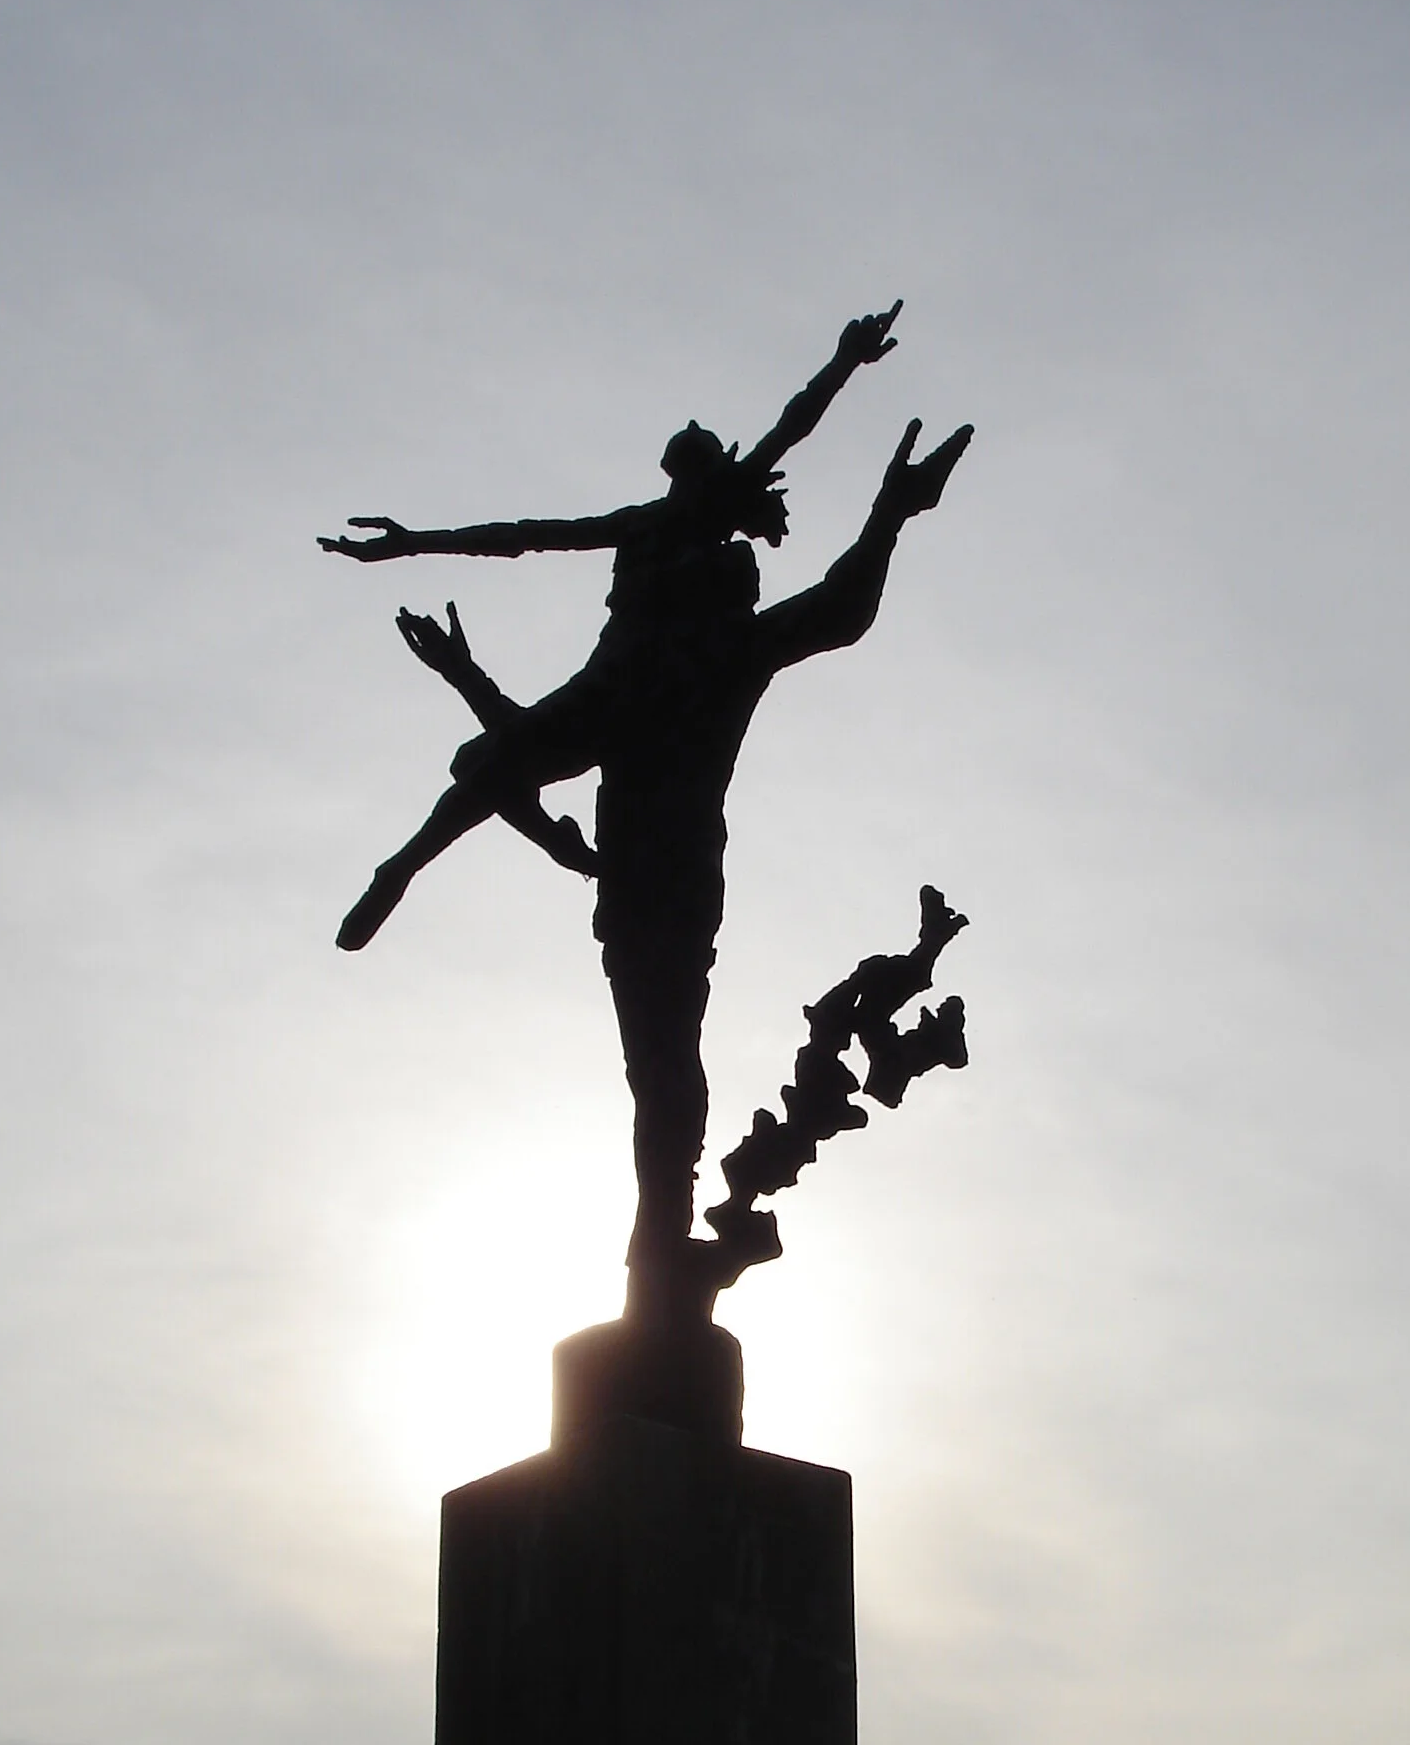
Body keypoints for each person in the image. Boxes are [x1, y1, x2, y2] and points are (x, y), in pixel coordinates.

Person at [320, 309, 971, 1314]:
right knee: (660, 1069)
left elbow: (806, 512)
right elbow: (534, 542)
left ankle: (655, 1255)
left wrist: (881, 478)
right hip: (640, 855)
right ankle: (404, 869)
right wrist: (416, 553)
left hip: (654, 865)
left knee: (664, 1074)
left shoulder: (716, 643)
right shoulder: (670, 586)